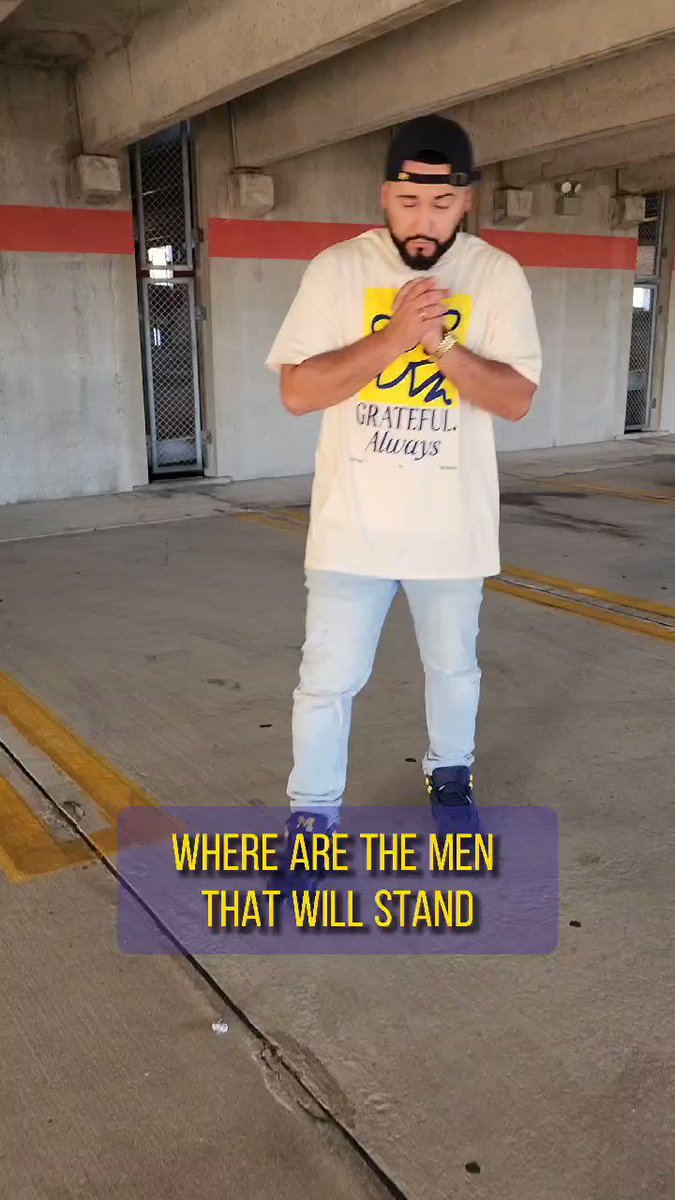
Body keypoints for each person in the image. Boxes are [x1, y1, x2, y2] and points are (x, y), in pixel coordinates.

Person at [266, 114, 541, 893]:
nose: (424, 221)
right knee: (326, 680)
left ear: (466, 201)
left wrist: (440, 346)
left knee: (453, 669)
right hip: (350, 528)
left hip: (450, 531)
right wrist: (391, 339)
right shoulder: (336, 270)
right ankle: (312, 817)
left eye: (442, 205)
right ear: (385, 195)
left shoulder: (496, 276)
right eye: (409, 202)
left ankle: (449, 780)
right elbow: (298, 392)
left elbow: (515, 399)